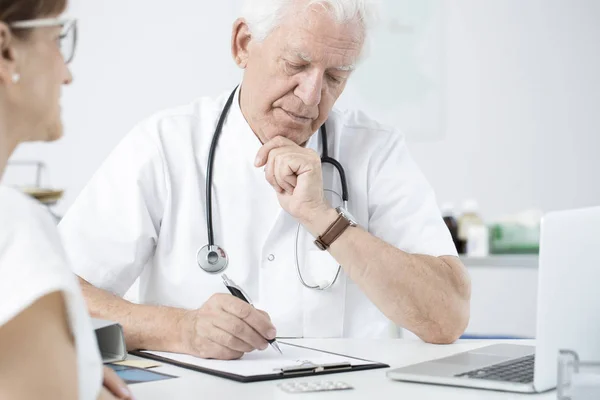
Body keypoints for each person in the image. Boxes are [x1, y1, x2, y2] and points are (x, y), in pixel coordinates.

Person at [59, 0, 472, 361]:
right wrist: (181, 329)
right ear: (243, 44)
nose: (311, 96)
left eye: (335, 77)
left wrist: (325, 219)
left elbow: (447, 318)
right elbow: (54, 297)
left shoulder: (375, 153)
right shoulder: (164, 145)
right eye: (296, 65)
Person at [0, 1, 133, 398]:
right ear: (5, 51)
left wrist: (65, 369)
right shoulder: (14, 224)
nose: (67, 73)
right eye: (58, 40)